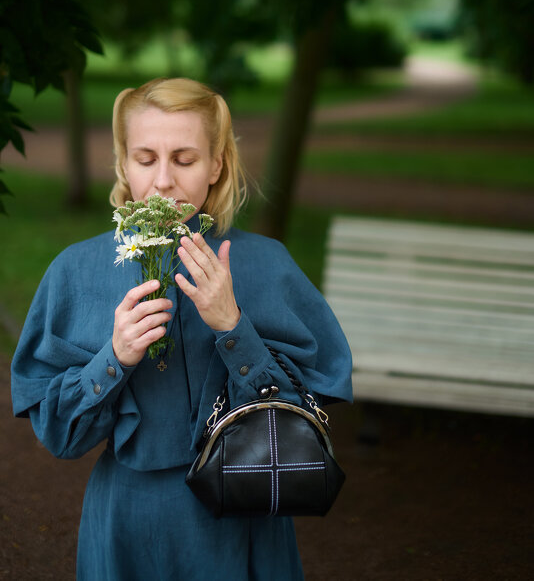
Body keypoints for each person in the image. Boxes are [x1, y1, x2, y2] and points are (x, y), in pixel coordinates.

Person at [11, 77, 353, 580]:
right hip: (128, 519)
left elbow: (307, 415)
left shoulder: (267, 264)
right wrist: (115, 356)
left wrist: (233, 328)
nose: (164, 180)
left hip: (242, 519)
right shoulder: (76, 271)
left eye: (185, 159)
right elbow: (61, 436)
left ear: (216, 164)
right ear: (123, 162)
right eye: (146, 158)